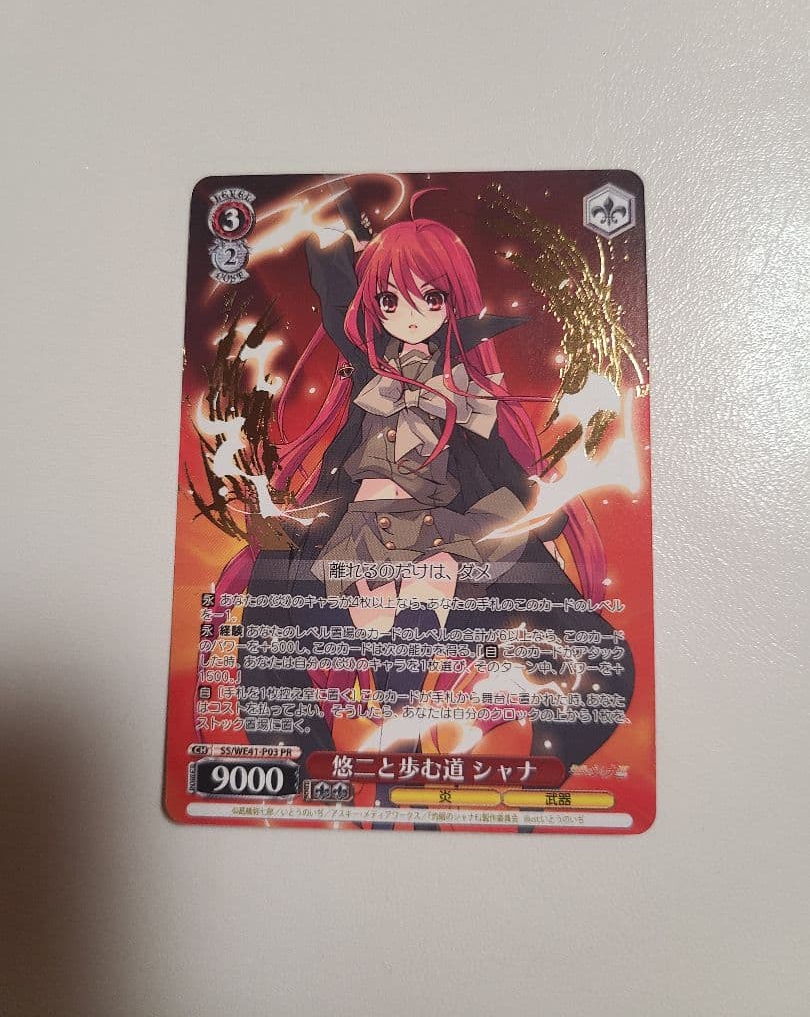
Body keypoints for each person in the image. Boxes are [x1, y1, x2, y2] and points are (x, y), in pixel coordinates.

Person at [237, 190, 634, 777]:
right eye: (390, 300)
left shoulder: (466, 390)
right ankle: (300, 753)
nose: (410, 315)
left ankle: (548, 754)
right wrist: (341, 229)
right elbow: (335, 287)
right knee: (272, 584)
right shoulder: (371, 368)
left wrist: (530, 518)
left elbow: (503, 471)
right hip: (355, 535)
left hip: (445, 534)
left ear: (454, 303)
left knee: (592, 649)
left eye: (430, 297)